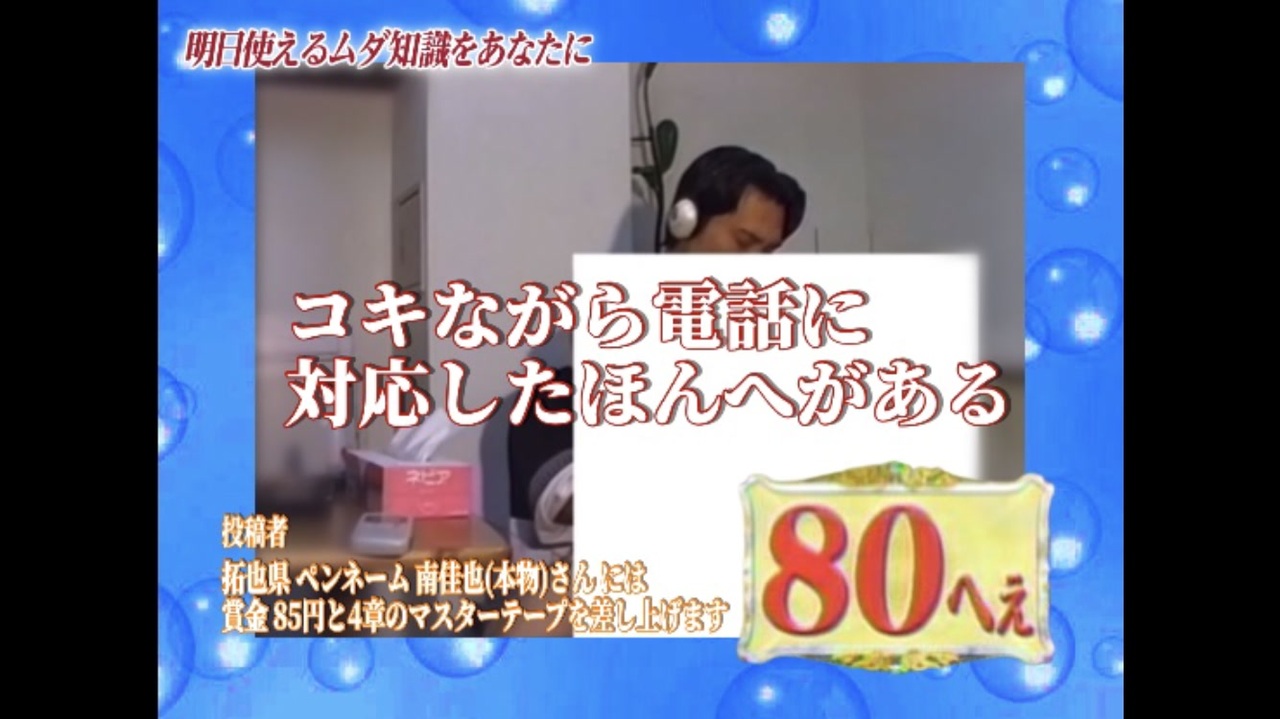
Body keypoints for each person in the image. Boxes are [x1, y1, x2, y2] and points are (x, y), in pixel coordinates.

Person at [507, 145, 807, 573]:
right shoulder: (551, 399)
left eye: (767, 253)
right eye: (743, 243)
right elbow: (571, 506)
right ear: (685, 221)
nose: (754, 267)